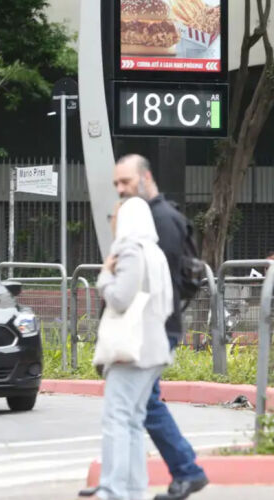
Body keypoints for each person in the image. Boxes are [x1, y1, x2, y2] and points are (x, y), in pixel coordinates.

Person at [84, 154, 209, 500]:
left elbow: (141, 289)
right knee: (140, 409)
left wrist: (109, 276)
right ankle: (132, 481)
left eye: (125, 182)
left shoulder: (156, 226)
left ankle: (176, 472)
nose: (120, 191)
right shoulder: (155, 223)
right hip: (153, 330)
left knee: (133, 410)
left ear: (145, 177)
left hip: (146, 331)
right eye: (117, 185)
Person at [94, 197, 174, 500]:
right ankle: (134, 490)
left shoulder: (128, 250)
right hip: (154, 349)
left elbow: (119, 299)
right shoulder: (155, 252)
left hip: (131, 352)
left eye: (115, 215)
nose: (112, 221)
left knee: (116, 420)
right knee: (133, 421)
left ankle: (114, 491)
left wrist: (104, 276)